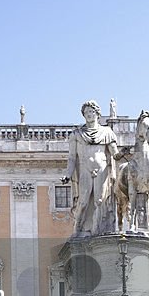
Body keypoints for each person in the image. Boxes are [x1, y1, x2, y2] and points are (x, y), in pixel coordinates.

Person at [62, 100, 125, 237]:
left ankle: (97, 231)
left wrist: (124, 153)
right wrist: (68, 175)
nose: (89, 114)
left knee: (100, 200)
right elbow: (72, 157)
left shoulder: (107, 132)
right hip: (85, 169)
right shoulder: (77, 134)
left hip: (102, 169)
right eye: (86, 113)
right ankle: (77, 229)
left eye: (91, 111)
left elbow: (115, 154)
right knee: (83, 201)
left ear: (97, 114)